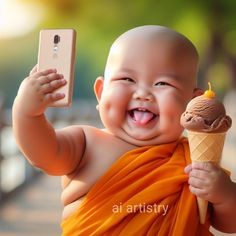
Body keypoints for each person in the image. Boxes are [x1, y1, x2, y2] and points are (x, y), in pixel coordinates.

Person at [12, 25, 236, 235]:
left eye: (162, 84)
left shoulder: (195, 161)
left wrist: (224, 194)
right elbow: (44, 155)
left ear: (193, 103)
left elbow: (229, 223)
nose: (142, 93)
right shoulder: (86, 142)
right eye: (127, 79)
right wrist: (27, 113)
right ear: (101, 93)